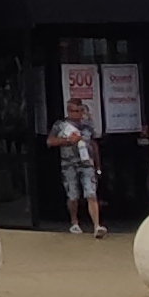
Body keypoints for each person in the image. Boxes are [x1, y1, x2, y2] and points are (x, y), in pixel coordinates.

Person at [46, 99, 105, 237]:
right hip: (69, 165)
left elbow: (94, 145)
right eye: (73, 111)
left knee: (91, 193)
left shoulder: (87, 125)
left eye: (79, 111)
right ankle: (74, 222)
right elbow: (50, 141)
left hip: (87, 164)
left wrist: (98, 166)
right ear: (68, 111)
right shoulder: (60, 125)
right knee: (73, 195)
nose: (76, 114)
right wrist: (67, 140)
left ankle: (97, 225)